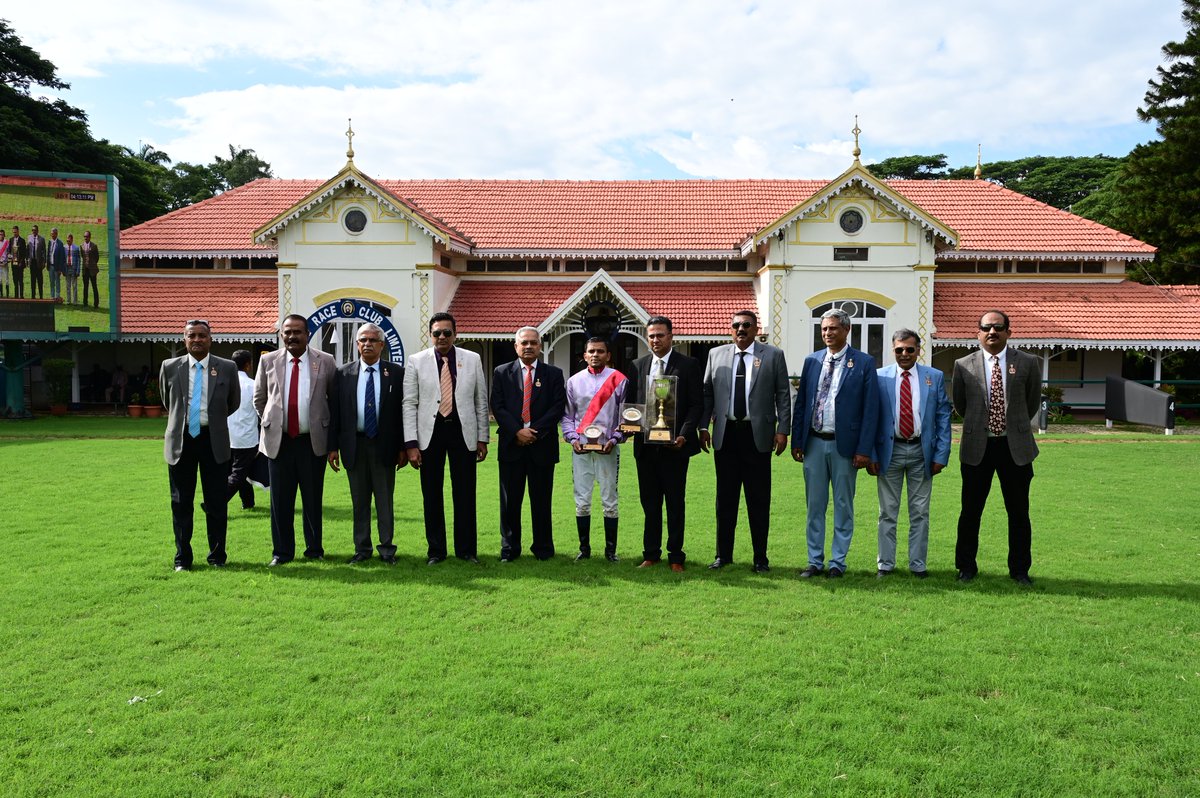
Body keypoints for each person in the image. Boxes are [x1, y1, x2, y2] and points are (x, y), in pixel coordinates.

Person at [951, 310, 1042, 585]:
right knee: (970, 511)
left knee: (1018, 512)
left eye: (998, 328)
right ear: (977, 332)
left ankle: (1020, 570)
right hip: (978, 447)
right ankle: (966, 567)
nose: (992, 332)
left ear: (1009, 333)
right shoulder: (962, 364)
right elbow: (960, 405)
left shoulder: (1027, 363)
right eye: (986, 328)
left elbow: (1031, 402)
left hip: (1015, 447)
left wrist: (1010, 425)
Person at [699, 310, 791, 573]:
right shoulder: (716, 355)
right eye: (736, 325)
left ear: (755, 329)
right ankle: (722, 555)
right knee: (725, 499)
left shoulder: (773, 356)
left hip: (758, 436)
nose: (741, 329)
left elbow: (783, 395)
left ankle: (760, 558)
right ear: (730, 329)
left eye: (746, 325)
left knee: (758, 500)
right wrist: (703, 426)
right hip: (726, 436)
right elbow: (707, 393)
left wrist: (783, 429)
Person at [791, 308, 879, 578]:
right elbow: (803, 402)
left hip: (845, 446)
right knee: (814, 506)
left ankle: (837, 563)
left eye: (833, 329)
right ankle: (814, 561)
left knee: (843, 505)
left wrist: (864, 449)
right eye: (824, 329)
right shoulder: (812, 361)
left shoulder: (863, 363)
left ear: (846, 330)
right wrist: (798, 440)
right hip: (814, 443)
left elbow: (870, 409)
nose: (828, 333)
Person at [402, 312, 489, 565]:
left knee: (465, 493)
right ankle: (436, 551)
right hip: (430, 433)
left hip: (463, 432)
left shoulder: (472, 359)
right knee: (431, 494)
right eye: (437, 333)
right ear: (430, 335)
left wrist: (482, 437)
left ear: (455, 334)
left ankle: (466, 550)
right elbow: (409, 403)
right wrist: (411, 444)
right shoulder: (416, 361)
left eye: (447, 333)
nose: (442, 337)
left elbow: (480, 400)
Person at [867, 330, 952, 579]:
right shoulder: (879, 376)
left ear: (918, 350)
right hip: (888, 452)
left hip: (921, 452)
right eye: (899, 350)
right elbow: (870, 418)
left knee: (920, 512)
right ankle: (885, 564)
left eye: (909, 349)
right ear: (892, 350)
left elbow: (943, 417)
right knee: (887, 512)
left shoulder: (933, 377)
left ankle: (918, 564)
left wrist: (941, 454)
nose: (904, 354)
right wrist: (871, 453)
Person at [254, 314, 337, 566]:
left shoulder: (325, 361)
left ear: (307, 334)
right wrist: (273, 422)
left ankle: (314, 550)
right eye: (287, 332)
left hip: (312, 442)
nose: (292, 336)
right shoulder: (268, 361)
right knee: (280, 501)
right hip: (279, 443)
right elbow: (259, 399)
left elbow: (333, 400)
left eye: (297, 332)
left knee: (312, 499)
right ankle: (282, 553)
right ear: (281, 335)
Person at [159, 319, 240, 570]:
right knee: (181, 502)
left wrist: (211, 421)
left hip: (213, 441)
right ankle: (183, 558)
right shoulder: (170, 367)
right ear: (184, 339)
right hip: (181, 441)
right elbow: (167, 401)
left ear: (210, 339)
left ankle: (217, 557)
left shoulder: (227, 368)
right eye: (191, 335)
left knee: (216, 502)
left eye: (202, 336)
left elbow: (233, 402)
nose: (196, 340)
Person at [628, 315, 703, 572]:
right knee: (649, 503)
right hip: (645, 449)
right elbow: (633, 404)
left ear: (671, 336)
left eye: (660, 335)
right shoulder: (638, 365)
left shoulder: (689, 365)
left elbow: (696, 405)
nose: (655, 340)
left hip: (675, 447)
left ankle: (675, 557)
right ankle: (650, 554)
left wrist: (683, 434)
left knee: (674, 503)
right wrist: (627, 426)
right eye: (651, 336)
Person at [328, 323, 406, 564]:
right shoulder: (343, 374)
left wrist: (404, 446)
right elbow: (335, 413)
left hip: (385, 446)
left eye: (373, 340)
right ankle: (362, 549)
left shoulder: (396, 373)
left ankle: (386, 550)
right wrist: (332, 447)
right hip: (355, 445)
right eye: (363, 340)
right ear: (357, 344)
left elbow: (403, 413)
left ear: (382, 345)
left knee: (384, 501)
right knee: (359, 501)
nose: (368, 344)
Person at [491, 326, 566, 561]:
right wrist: (517, 431)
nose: (529, 346)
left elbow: (557, 407)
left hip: (542, 445)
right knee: (510, 503)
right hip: (512, 446)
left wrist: (534, 432)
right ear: (516, 346)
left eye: (533, 342)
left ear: (540, 346)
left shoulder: (553, 374)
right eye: (524, 343)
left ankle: (543, 549)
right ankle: (509, 549)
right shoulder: (501, 372)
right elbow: (498, 406)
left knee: (542, 501)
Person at [561, 337, 628, 562]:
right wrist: (572, 439)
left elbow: (625, 415)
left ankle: (611, 551)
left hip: (608, 449)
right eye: (591, 351)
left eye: (600, 351)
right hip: (581, 448)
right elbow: (568, 416)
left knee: (610, 499)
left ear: (608, 355)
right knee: (582, 499)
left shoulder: (619, 380)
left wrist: (616, 438)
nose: (595, 354)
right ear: (584, 355)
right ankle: (585, 549)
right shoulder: (573, 382)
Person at [226, 350, 261, 511]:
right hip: (247, 437)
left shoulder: (224, 384)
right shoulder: (253, 385)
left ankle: (248, 502)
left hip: (227, 436)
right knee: (239, 474)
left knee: (239, 472)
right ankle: (217, 502)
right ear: (248, 365)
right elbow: (261, 411)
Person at [26, 224, 46, 300]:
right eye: (32, 230)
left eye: (35, 230)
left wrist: (44, 262)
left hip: (39, 262)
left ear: (37, 231)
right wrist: (27, 260)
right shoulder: (29, 238)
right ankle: (33, 296)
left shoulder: (41, 239)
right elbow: (27, 249)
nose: (33, 231)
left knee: (40, 280)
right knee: (32, 280)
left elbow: (44, 251)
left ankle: (41, 296)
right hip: (32, 262)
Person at [81, 231, 100, 308]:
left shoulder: (94, 246)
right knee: (85, 287)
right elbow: (82, 256)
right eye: (84, 236)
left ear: (90, 237)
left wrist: (92, 264)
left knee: (94, 286)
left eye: (87, 236)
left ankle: (96, 304)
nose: (85, 238)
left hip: (92, 270)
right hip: (85, 270)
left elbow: (97, 257)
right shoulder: (81, 246)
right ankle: (85, 303)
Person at [9, 226, 27, 299]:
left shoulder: (22, 240)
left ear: (18, 231)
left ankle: (21, 295)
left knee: (20, 280)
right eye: (13, 232)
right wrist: (10, 258)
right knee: (15, 280)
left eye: (15, 232)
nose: (14, 233)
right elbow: (9, 251)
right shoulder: (11, 240)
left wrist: (21, 262)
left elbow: (24, 253)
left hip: (20, 264)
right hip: (13, 263)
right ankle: (16, 296)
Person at [64, 234, 82, 305]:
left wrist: (78, 270)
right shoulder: (64, 247)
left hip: (73, 268)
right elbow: (63, 259)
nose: (68, 241)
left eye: (69, 240)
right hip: (67, 268)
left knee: (74, 286)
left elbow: (78, 260)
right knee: (68, 285)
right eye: (67, 240)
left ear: (72, 239)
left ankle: (75, 301)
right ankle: (68, 300)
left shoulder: (76, 248)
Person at [0, 230, 9, 298]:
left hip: (5, 264)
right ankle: (1, 295)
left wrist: (7, 262)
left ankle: (7, 295)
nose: (1, 236)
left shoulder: (7, 242)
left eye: (2, 234)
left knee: (6, 279)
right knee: (0, 280)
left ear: (4, 235)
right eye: (0, 234)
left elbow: (10, 253)